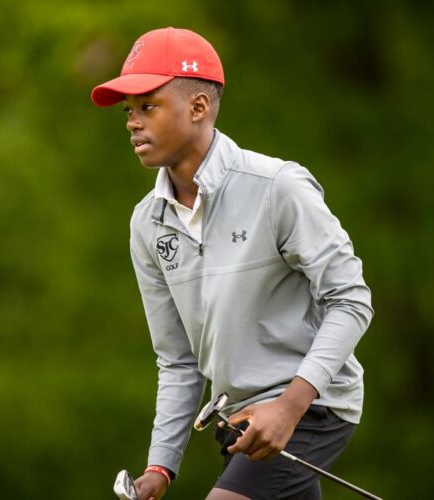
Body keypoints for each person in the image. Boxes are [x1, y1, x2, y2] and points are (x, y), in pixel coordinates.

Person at [91, 27, 373, 500]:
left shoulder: (278, 186)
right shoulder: (147, 223)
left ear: (198, 107)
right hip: (242, 422)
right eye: (128, 111)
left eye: (148, 106)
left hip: (313, 404)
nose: (132, 122)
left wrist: (287, 408)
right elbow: (178, 359)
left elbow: (351, 299)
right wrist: (161, 465)